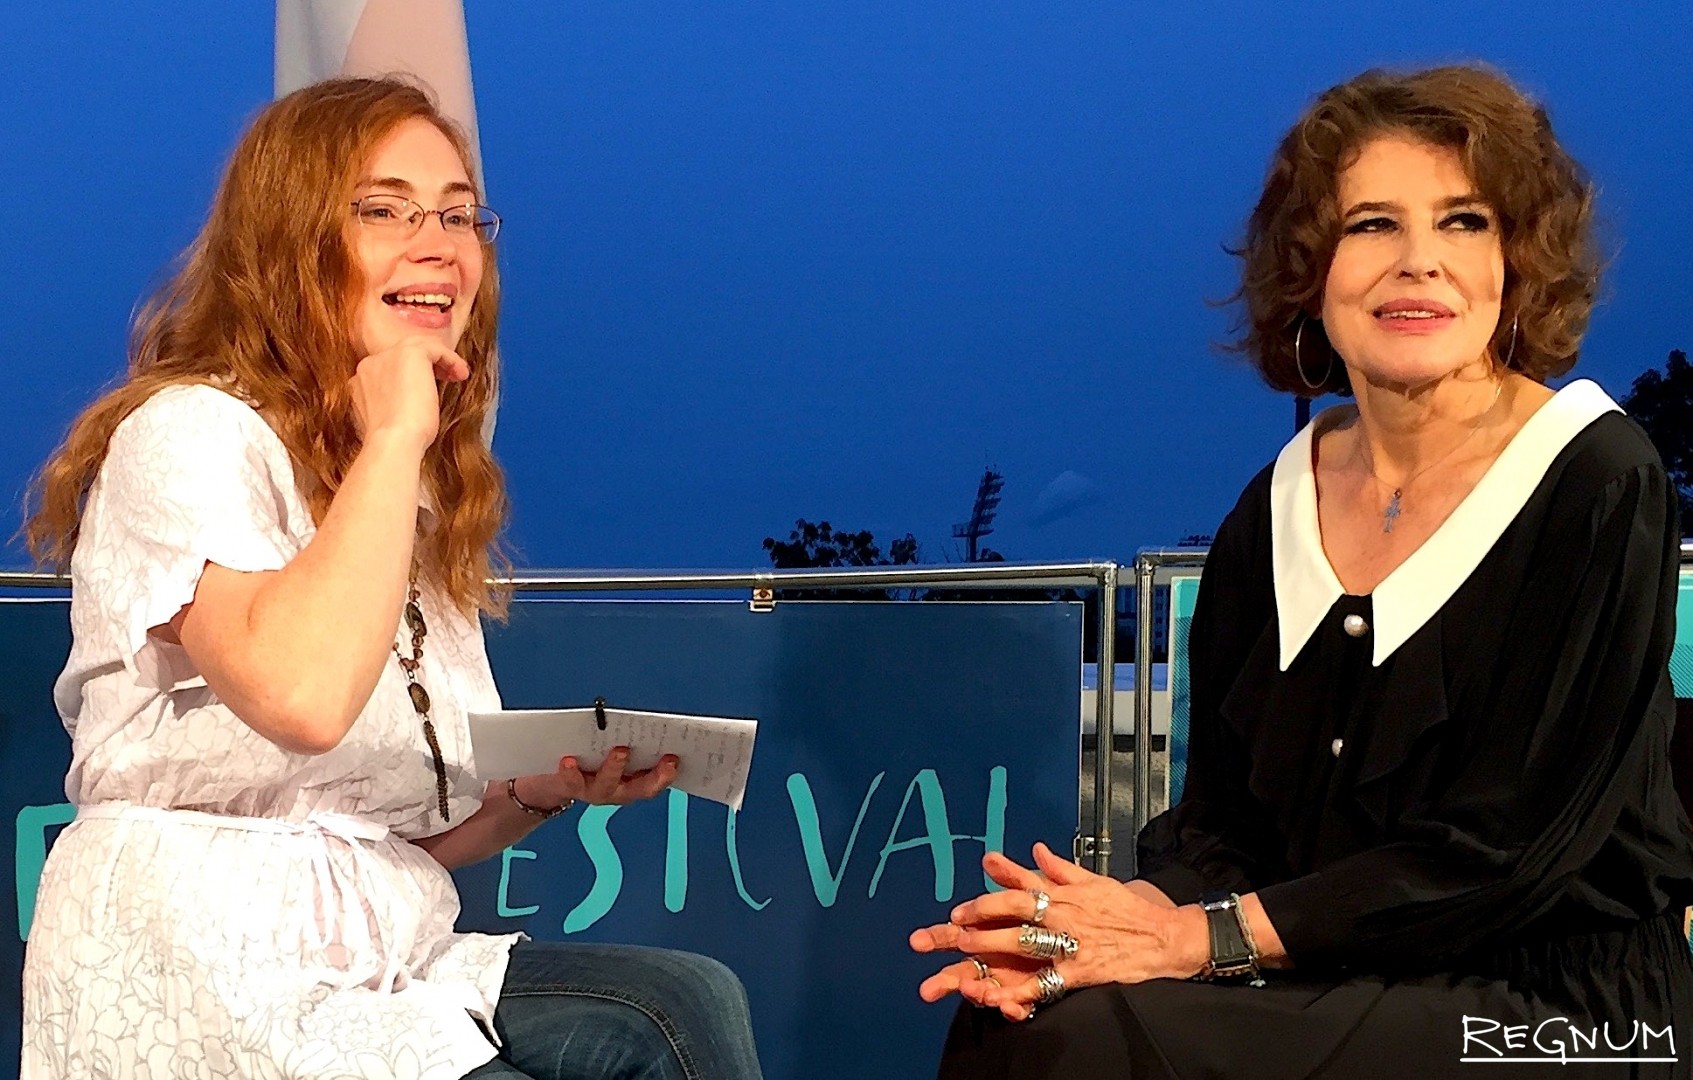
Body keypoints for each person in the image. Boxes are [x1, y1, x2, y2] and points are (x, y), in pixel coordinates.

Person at [911, 65, 1693, 1078]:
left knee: (1087, 1050)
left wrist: (1197, 938)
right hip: (1324, 973)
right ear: (1309, 271)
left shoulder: (1596, 476)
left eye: (1462, 221)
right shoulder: (1275, 503)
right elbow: (1222, 823)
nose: (1418, 262)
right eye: (1372, 225)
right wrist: (1123, 917)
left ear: (1514, 260)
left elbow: (1508, 854)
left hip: (1558, 1010)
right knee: (1021, 1007)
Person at [21, 78, 763, 1080]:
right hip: (199, 967)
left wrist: (540, 792)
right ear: (288, 243)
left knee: (677, 1004)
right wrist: (396, 438)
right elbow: (302, 699)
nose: (440, 244)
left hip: (378, 961)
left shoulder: (397, 489)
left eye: (458, 215)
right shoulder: (190, 433)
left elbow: (376, 839)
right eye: (385, 210)